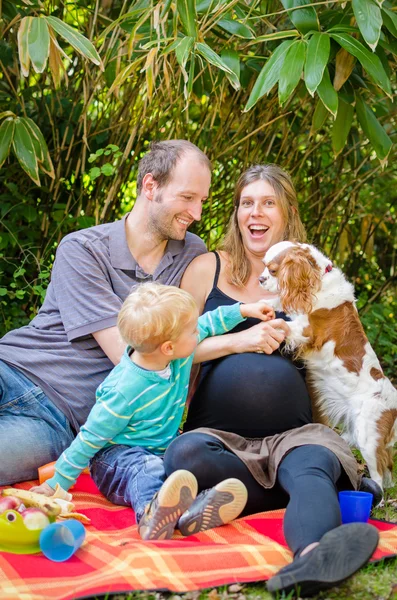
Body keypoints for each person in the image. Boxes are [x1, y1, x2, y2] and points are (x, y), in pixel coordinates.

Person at [163, 164, 381, 597]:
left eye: (267, 203)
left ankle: (312, 558)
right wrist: (238, 341)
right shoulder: (207, 268)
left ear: (286, 214)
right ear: (237, 214)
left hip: (295, 437)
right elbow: (170, 352)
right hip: (218, 440)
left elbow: (346, 355)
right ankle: (297, 496)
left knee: (313, 464)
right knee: (184, 456)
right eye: (247, 203)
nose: (255, 212)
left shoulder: (308, 272)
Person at [0, 140, 212, 486]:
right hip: (12, 369)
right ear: (150, 186)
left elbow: (187, 338)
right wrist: (239, 342)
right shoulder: (82, 249)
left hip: (58, 420)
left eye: (202, 201)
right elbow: (130, 353)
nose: (197, 213)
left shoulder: (192, 256)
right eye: (187, 198)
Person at [31, 282, 275, 540]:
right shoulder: (124, 390)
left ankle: (189, 513)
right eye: (192, 331)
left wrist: (245, 310)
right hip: (116, 459)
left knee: (187, 460)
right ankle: (151, 515)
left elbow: (209, 323)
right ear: (168, 347)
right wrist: (55, 484)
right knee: (148, 470)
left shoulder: (176, 353)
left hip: (160, 449)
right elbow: (89, 439)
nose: (198, 332)